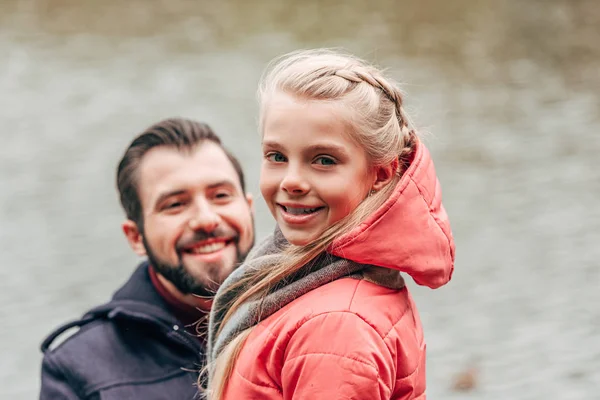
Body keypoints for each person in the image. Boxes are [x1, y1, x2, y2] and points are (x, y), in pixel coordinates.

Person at [204, 49, 455, 400]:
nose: (292, 181)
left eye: (323, 160)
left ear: (381, 173)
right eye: (277, 156)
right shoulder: (319, 280)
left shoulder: (337, 327)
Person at [39, 118, 255, 399]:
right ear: (135, 237)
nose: (205, 219)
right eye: (175, 204)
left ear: (249, 208)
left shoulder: (306, 314)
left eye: (221, 195)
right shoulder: (77, 370)